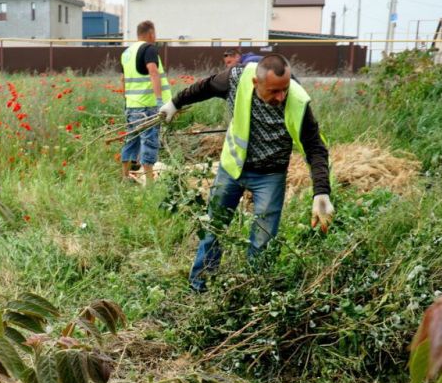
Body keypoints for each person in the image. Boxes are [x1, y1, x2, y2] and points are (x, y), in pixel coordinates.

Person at [158, 54, 333, 292]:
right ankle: (200, 286)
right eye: (273, 91)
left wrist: (321, 192)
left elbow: (315, 147)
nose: (281, 97)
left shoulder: (298, 100)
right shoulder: (236, 79)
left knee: (262, 240)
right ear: (255, 83)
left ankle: (253, 290)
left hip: (270, 176)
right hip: (232, 168)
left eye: (284, 90)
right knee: (213, 229)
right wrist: (175, 103)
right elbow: (206, 86)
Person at [119, 20, 171, 183]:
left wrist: (127, 101)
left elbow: (123, 79)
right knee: (149, 141)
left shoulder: (127, 53)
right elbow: (153, 72)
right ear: (151, 33)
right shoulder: (149, 49)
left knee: (131, 140)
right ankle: (149, 182)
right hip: (147, 106)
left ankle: (125, 177)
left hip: (132, 106)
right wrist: (158, 101)